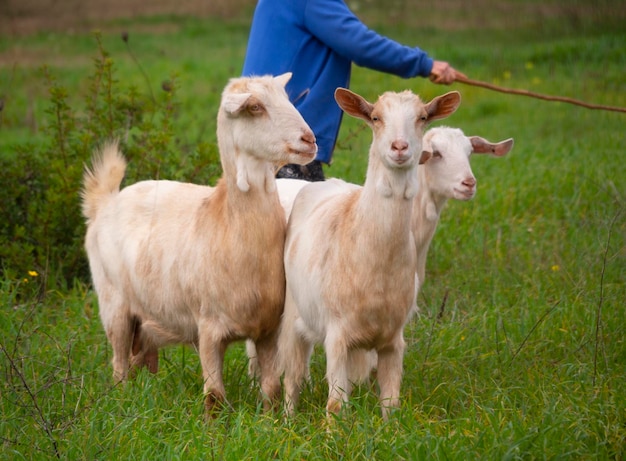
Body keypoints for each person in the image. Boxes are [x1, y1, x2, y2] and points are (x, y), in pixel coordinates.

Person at [242, 0, 463, 181]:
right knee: (295, 229)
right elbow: (360, 44)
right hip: (287, 141)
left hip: (260, 135)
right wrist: (425, 64)